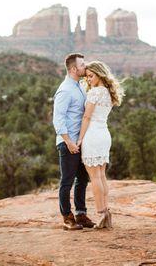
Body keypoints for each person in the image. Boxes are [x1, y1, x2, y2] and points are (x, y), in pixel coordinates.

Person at [77, 61, 124, 229]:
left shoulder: (95, 93)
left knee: (95, 177)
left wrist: (80, 139)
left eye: (91, 76)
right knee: (101, 175)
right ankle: (107, 213)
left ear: (100, 74)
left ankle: (101, 213)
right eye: (87, 76)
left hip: (93, 135)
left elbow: (86, 118)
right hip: (104, 134)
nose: (88, 79)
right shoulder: (109, 93)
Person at [53, 53, 96, 230]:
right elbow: (58, 119)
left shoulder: (79, 86)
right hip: (68, 142)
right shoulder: (65, 90)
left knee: (82, 179)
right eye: (82, 65)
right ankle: (67, 217)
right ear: (73, 69)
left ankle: (81, 213)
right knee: (67, 181)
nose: (85, 67)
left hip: (80, 141)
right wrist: (68, 141)